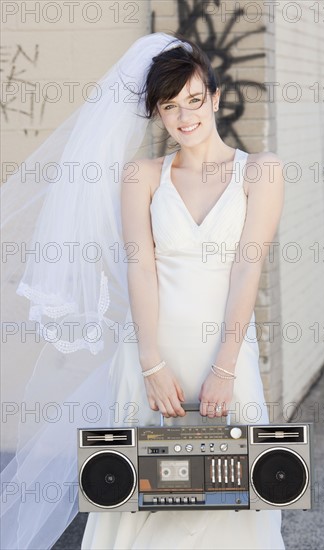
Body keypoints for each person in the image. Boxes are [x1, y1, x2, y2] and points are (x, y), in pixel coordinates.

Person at [0, 32, 285, 550]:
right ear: (156, 113)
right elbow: (140, 271)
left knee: (233, 496)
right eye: (169, 106)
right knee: (144, 502)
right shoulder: (142, 176)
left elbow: (248, 271)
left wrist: (225, 368)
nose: (185, 116)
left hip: (225, 356)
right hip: (151, 358)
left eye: (194, 100)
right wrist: (151, 365)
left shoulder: (260, 172)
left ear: (215, 99)